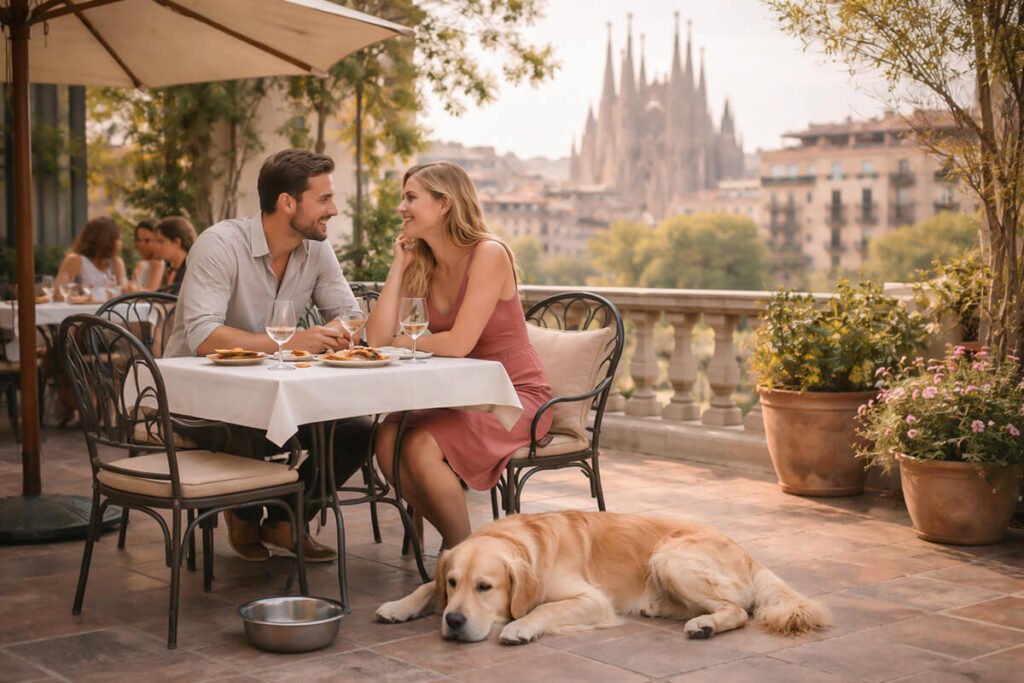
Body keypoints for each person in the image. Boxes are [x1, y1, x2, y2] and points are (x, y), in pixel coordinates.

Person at [164, 149, 373, 563]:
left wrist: (342, 331)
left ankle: (287, 522)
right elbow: (204, 335)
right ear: (287, 203)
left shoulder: (316, 250)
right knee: (246, 427)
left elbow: (349, 316)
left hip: (278, 393)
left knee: (358, 430)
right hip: (198, 401)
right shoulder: (220, 244)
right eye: (325, 199)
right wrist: (294, 341)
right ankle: (242, 515)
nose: (334, 210)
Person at [365, 161, 553, 552]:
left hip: (512, 397)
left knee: (419, 445)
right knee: (386, 435)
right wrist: (398, 268)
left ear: (445, 203)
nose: (401, 208)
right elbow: (377, 338)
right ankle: (462, 543)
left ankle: (462, 554)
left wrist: (404, 343)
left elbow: (458, 343)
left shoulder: (489, 253)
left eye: (411, 198)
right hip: (458, 396)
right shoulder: (424, 261)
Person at [54, 216, 127, 300]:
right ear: (106, 241)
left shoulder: (116, 262)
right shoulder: (75, 260)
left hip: (111, 311)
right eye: (117, 239)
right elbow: (59, 294)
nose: (120, 243)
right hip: (82, 311)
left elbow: (123, 294)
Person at [153, 216, 197, 290]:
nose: (156, 246)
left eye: (161, 241)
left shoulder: (191, 270)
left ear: (177, 242)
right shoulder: (169, 269)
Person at [130, 219, 166, 291]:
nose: (141, 245)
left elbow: (151, 294)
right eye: (139, 240)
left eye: (147, 240)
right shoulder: (143, 262)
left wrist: (133, 288)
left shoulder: (157, 264)